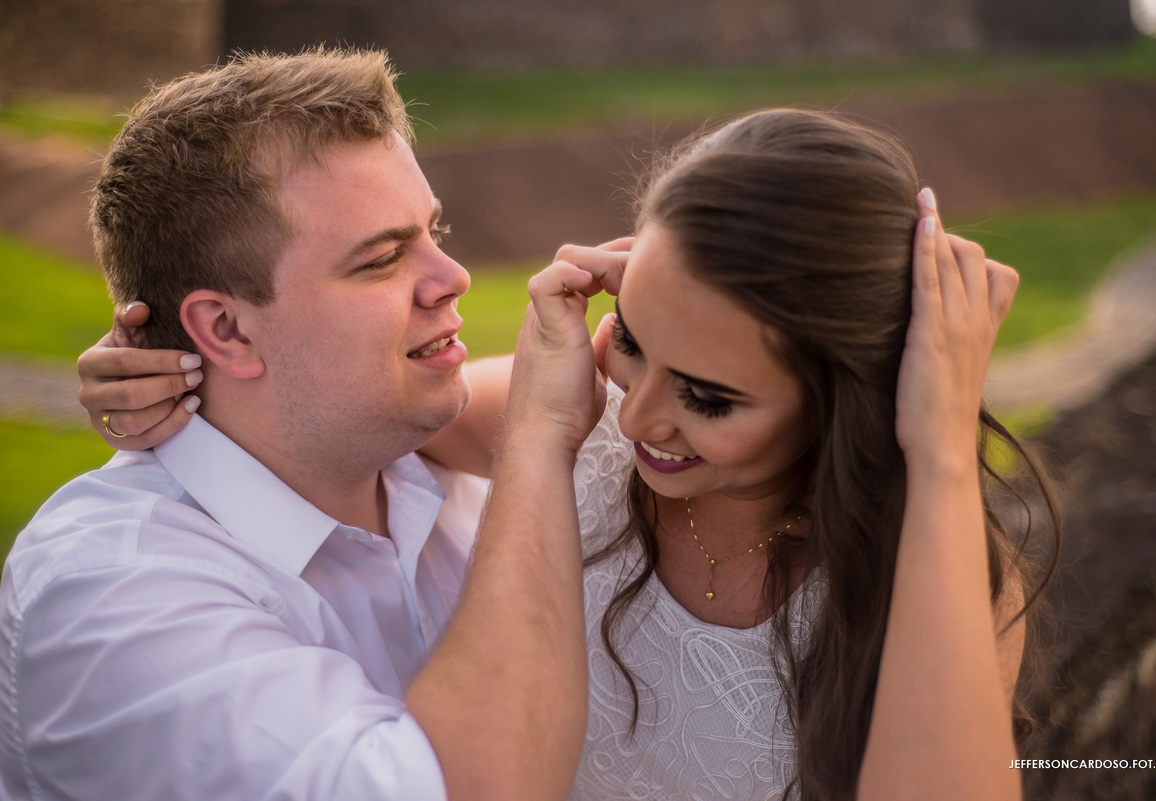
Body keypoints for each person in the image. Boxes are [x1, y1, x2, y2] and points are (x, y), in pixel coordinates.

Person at [78, 105, 1059, 799]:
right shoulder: (580, 412)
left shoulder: (938, 571)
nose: (638, 421)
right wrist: (164, 365)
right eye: (632, 336)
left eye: (711, 398)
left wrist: (935, 452)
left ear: (840, 400)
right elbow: (321, 400)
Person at [0, 48, 620, 801]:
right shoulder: (109, 594)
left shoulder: (427, 452)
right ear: (225, 329)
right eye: (382, 259)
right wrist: (535, 440)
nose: (452, 276)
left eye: (436, 229)